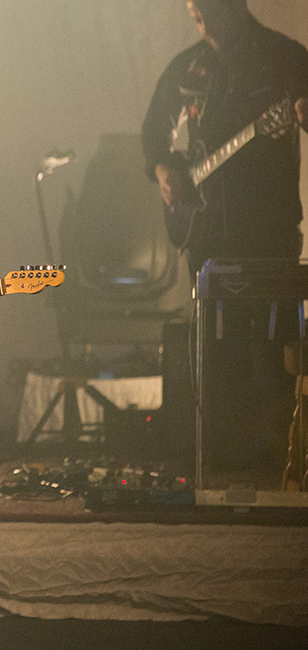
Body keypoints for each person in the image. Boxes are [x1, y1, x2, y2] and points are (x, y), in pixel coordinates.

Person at [141, 0, 308, 484]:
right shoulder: (187, 66)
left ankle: (277, 463)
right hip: (206, 232)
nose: (194, 9)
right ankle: (219, 459)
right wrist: (164, 170)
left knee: (271, 347)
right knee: (215, 350)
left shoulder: (284, 57)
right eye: (191, 5)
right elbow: (154, 132)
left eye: (204, 4)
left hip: (268, 231)